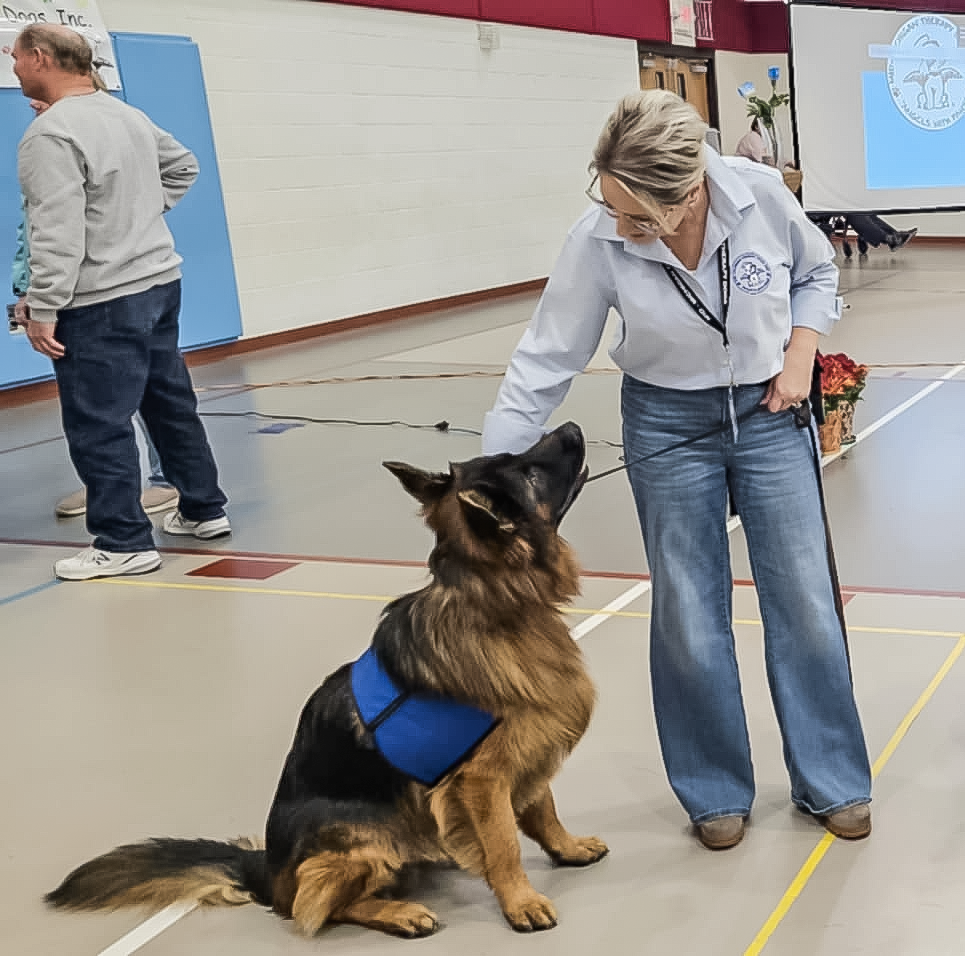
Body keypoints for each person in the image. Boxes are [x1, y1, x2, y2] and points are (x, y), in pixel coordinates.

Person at [482, 90, 872, 850]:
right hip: (666, 421)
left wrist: (798, 358)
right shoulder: (596, 236)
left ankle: (831, 780)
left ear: (689, 191)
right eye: (610, 206)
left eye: (636, 217)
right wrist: (491, 469)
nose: (618, 227)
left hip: (769, 416)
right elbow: (547, 354)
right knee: (689, 612)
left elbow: (815, 275)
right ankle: (714, 792)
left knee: (804, 602)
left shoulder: (759, 197)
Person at [11, 23, 231, 581]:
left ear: (40, 58)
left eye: (14, 56)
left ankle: (123, 540)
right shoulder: (125, 114)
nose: (11, 67)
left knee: (97, 422)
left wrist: (42, 308)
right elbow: (184, 166)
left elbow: (55, 233)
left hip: (101, 301)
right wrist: (135, 218)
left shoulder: (50, 134)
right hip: (158, 285)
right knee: (168, 403)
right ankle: (204, 509)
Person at [10, 94, 180, 520]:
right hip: (70, 291)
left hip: (107, 292)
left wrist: (136, 217)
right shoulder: (50, 154)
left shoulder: (93, 131)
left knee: (133, 400)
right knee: (103, 405)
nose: (33, 105)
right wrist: (29, 290)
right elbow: (36, 232)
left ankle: (158, 489)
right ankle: (111, 490)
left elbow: (66, 233)